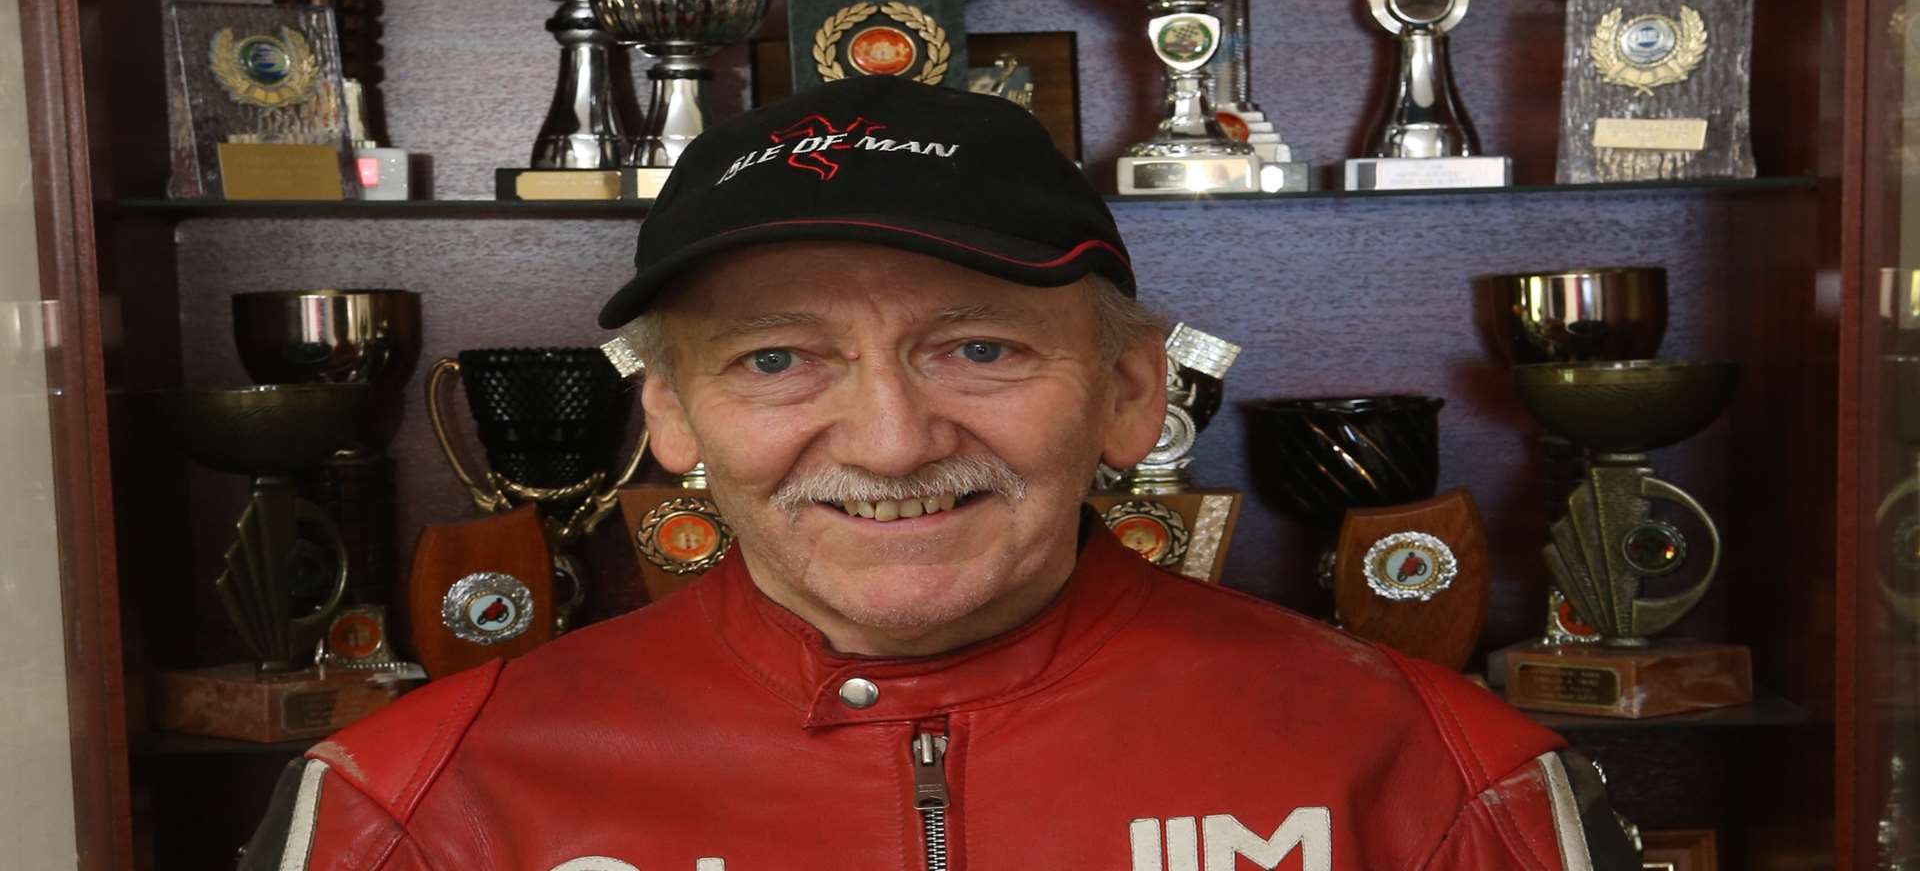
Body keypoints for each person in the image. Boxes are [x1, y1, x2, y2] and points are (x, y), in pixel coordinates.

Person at [241, 76, 1636, 870]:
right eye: (778, 362)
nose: (894, 441)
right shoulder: (411, 804)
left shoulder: (1446, 775)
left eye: (977, 348)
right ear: (669, 418)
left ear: (1130, 396)